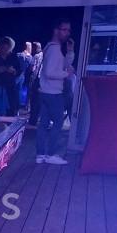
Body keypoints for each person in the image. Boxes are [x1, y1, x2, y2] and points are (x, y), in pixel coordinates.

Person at [36, 20, 73, 165]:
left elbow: (61, 65)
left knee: (44, 124)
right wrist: (66, 74)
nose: (67, 33)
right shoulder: (54, 49)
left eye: (68, 30)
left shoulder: (52, 48)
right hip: (53, 93)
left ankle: (40, 155)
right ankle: (50, 154)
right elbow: (50, 72)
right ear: (56, 30)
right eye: (64, 30)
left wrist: (70, 52)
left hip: (45, 91)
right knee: (57, 123)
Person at [0, 36, 22, 116]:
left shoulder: (14, 57)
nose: (4, 50)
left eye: (7, 48)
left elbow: (19, 71)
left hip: (10, 88)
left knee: (10, 110)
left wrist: (13, 71)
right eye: (3, 48)